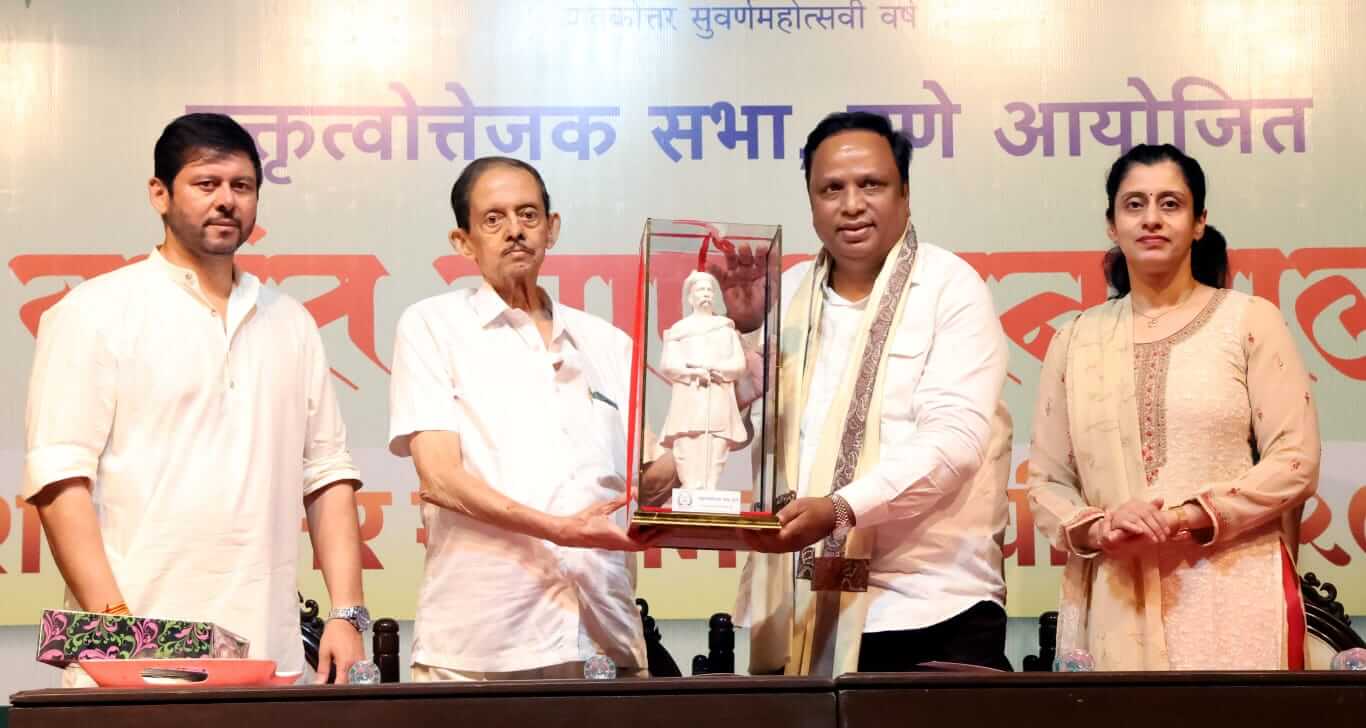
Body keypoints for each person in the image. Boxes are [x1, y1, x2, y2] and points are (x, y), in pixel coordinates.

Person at [23, 113, 368, 686]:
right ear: (159, 194)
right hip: (135, 660)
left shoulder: (291, 321)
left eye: (242, 185)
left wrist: (347, 612)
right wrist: (122, 634)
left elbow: (327, 474)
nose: (227, 200)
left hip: (269, 657)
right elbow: (60, 484)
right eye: (206, 183)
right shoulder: (93, 313)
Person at [737, 111, 1014, 675]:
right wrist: (736, 334)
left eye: (871, 184)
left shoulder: (949, 286)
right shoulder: (784, 293)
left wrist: (840, 510)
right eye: (831, 189)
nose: (852, 204)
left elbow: (954, 443)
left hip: (931, 607)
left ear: (905, 193)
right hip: (802, 609)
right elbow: (735, 421)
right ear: (811, 202)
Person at [1026, 143, 1320, 670]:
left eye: (1170, 203)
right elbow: (1047, 482)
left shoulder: (1249, 320)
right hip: (1117, 590)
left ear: (1199, 221)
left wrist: (1190, 516)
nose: (1151, 219)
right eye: (1134, 204)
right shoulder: (1075, 340)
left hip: (1232, 591)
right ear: (1112, 225)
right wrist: (1098, 526)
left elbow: (1295, 461)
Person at [388, 156, 654, 681]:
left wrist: (719, 404)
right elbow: (439, 478)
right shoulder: (433, 326)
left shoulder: (608, 343)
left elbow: (648, 479)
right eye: (493, 219)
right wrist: (559, 530)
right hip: (482, 646)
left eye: (528, 215)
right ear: (463, 241)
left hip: (604, 638)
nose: (514, 230)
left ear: (551, 228)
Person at [659, 270, 749, 491]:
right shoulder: (679, 330)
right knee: (687, 440)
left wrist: (719, 370)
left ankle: (710, 487)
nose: (706, 293)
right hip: (689, 394)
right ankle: (691, 485)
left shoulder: (725, 329)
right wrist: (693, 373)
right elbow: (668, 365)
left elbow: (739, 364)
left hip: (718, 393)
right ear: (690, 298)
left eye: (709, 290)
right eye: (700, 290)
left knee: (717, 439)